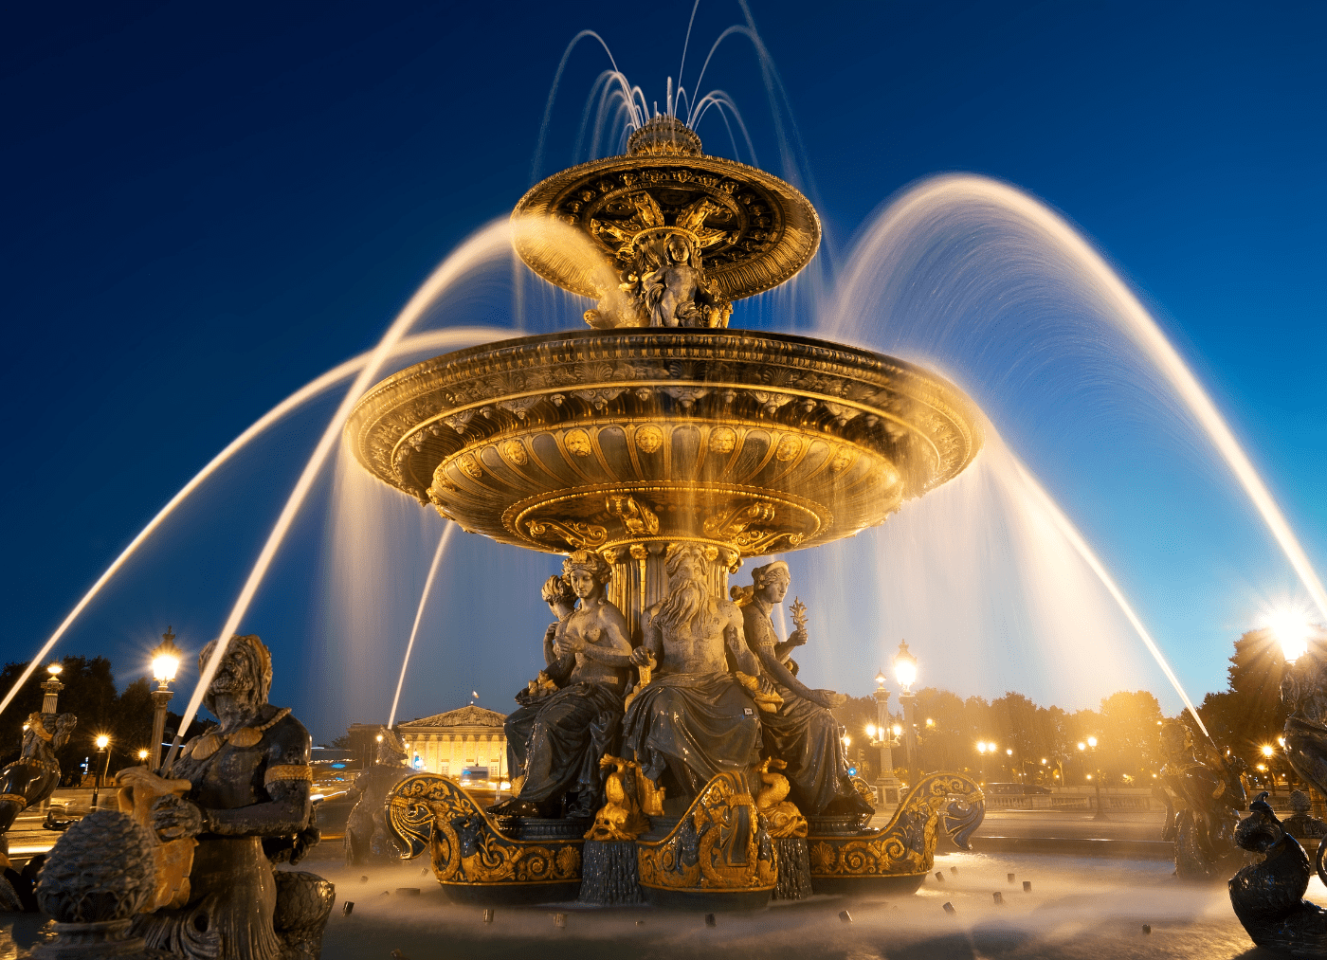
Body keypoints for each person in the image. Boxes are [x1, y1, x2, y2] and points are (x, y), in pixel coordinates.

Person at [136, 635, 331, 960]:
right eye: (213, 659)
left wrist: (206, 820)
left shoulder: (285, 732)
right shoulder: (198, 741)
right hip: (174, 886)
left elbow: (292, 812)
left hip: (237, 885)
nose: (223, 663)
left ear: (258, 672)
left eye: (236, 656)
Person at [622, 543, 770, 803]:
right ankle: (697, 796)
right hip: (673, 684)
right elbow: (651, 657)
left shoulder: (726, 610)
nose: (690, 576)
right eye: (683, 570)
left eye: (696, 570)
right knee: (667, 713)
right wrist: (642, 657)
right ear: (672, 574)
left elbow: (743, 652)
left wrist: (757, 679)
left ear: (705, 573)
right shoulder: (655, 614)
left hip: (719, 684)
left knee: (747, 716)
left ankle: (733, 790)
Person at [491, 555, 634, 819]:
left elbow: (627, 655)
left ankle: (536, 799)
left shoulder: (606, 613)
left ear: (600, 580)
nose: (579, 585)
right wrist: (541, 675)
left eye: (586, 578)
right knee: (514, 723)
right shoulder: (570, 621)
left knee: (547, 722)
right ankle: (527, 790)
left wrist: (586, 647)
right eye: (575, 579)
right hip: (573, 693)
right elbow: (563, 666)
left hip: (601, 692)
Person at [734, 561, 873, 816]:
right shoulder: (753, 616)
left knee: (826, 721)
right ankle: (820, 796)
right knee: (823, 721)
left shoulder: (764, 617)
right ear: (764, 583)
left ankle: (836, 788)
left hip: (771, 687)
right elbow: (768, 662)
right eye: (779, 583)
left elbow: (772, 657)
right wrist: (810, 694)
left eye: (786, 585)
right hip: (765, 692)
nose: (784, 589)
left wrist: (791, 643)